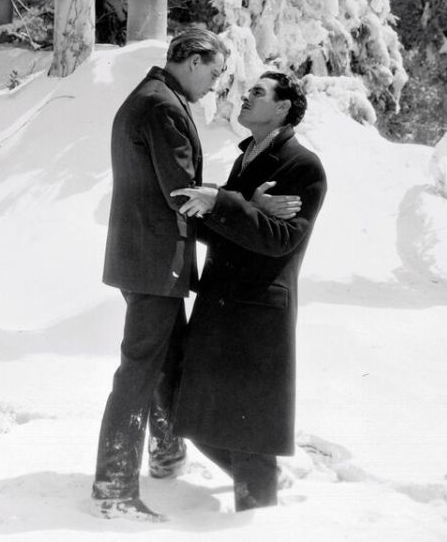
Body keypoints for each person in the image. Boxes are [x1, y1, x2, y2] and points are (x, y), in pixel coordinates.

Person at [92, 31, 298, 522]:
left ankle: (167, 454)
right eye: (213, 70)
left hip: (146, 260)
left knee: (166, 364)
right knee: (140, 372)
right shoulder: (161, 106)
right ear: (190, 60)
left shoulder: (152, 98)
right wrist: (251, 207)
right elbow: (182, 192)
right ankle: (114, 488)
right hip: (152, 264)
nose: (216, 82)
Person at [170, 71, 327, 512]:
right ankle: (263, 489)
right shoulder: (248, 160)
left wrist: (224, 203)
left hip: (259, 311)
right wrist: (230, 205)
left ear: (282, 108)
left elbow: (280, 240)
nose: (246, 97)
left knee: (251, 434)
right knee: (200, 418)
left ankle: (259, 514)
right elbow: (233, 231)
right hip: (222, 303)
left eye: (258, 92)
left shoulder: (303, 165)